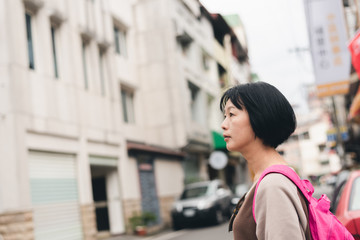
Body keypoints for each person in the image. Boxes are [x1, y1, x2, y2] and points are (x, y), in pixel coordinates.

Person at [220, 82, 311, 240]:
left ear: (260, 116)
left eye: (232, 115)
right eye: (224, 116)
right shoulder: (269, 178)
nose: (223, 125)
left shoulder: (273, 185)